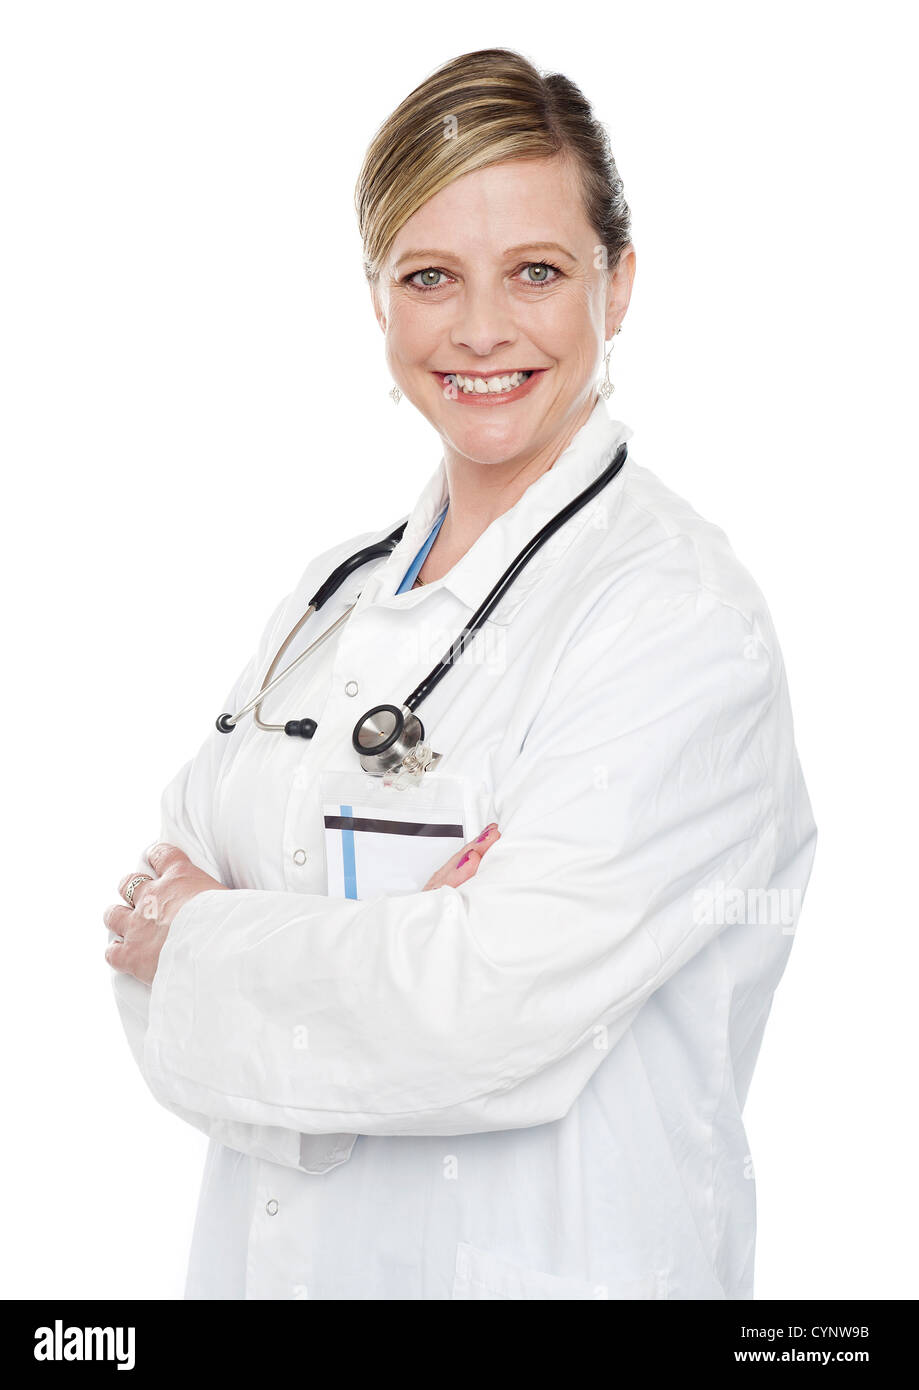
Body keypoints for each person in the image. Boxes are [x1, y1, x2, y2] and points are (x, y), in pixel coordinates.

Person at [104, 47, 817, 1301]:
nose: (481, 329)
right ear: (378, 300)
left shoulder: (676, 622)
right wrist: (374, 944)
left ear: (618, 283)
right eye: (430, 276)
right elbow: (146, 950)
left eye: (535, 272)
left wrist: (212, 940)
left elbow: (482, 1021)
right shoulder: (328, 601)